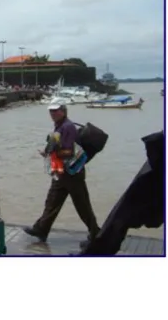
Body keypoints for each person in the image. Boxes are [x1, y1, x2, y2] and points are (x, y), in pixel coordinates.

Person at [24, 104, 100, 246]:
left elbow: (69, 152)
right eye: (50, 111)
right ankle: (41, 229)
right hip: (62, 172)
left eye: (55, 111)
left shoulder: (67, 127)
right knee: (52, 201)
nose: (52, 113)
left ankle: (96, 233)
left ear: (63, 112)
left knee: (82, 205)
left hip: (72, 173)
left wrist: (49, 154)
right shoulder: (60, 126)